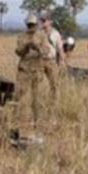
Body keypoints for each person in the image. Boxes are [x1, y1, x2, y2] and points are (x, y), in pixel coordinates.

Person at [14, 14, 50, 142]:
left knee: (37, 99)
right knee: (19, 97)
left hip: (37, 70)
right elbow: (18, 52)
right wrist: (26, 46)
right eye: (29, 25)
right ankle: (19, 124)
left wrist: (37, 47)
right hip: (24, 70)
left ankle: (37, 124)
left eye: (33, 25)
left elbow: (46, 51)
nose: (31, 27)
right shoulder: (21, 36)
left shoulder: (42, 36)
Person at [40, 16, 64, 96]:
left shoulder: (55, 34)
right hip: (40, 61)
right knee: (37, 83)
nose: (43, 22)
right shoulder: (39, 33)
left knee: (54, 84)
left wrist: (61, 61)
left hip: (51, 61)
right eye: (42, 21)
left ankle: (54, 102)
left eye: (44, 20)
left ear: (50, 22)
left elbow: (60, 48)